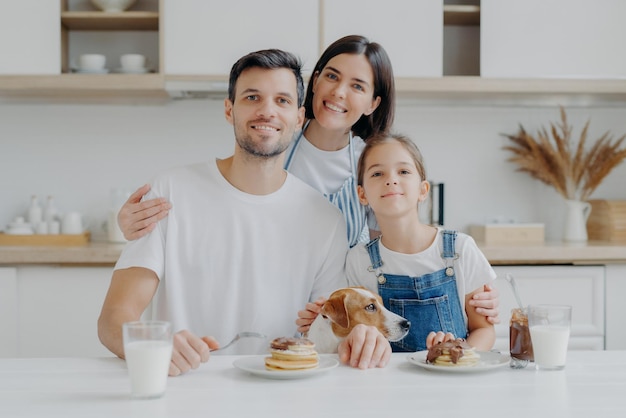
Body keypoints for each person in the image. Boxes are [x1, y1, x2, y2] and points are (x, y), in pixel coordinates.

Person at [115, 35, 501, 324]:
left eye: (358, 86)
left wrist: (463, 291)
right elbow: (215, 204)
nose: (338, 92)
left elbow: (404, 248)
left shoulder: (374, 164)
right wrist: (133, 227)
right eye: (331, 76)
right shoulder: (271, 142)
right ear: (313, 84)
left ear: (373, 103)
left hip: (337, 318)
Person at [98, 49, 391, 376]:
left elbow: (328, 329)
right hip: (186, 388)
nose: (267, 111)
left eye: (282, 100)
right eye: (252, 97)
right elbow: (114, 317)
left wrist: (364, 337)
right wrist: (152, 346)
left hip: (284, 388)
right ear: (229, 109)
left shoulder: (325, 220)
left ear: (298, 117)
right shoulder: (169, 191)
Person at [344, 132, 496, 351]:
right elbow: (356, 335)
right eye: (377, 173)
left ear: (423, 190)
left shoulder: (460, 249)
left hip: (454, 378)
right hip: (387, 382)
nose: (391, 179)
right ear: (362, 194)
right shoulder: (358, 260)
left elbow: (484, 329)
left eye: (403, 171)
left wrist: (460, 355)